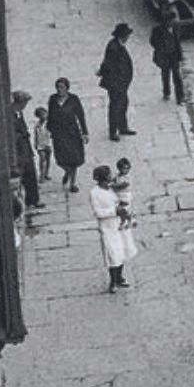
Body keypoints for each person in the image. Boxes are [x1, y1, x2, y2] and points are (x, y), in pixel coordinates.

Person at [91, 164, 138, 292]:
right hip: (107, 228)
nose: (111, 178)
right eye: (108, 176)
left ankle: (120, 277)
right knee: (113, 255)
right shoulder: (95, 193)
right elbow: (98, 213)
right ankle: (113, 281)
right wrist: (114, 211)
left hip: (119, 225)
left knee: (122, 252)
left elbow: (122, 196)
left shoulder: (112, 188)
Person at [46, 77, 89, 193]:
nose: (60, 90)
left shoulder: (74, 99)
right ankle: (67, 172)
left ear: (67, 88)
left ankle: (73, 183)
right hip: (58, 134)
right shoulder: (53, 99)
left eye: (62, 87)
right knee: (60, 159)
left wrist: (85, 133)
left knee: (74, 159)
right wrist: (49, 129)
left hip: (72, 133)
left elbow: (81, 116)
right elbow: (50, 115)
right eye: (58, 87)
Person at [99, 23, 135, 141]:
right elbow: (110, 67)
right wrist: (117, 84)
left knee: (123, 103)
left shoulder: (119, 45)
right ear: (122, 35)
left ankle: (123, 127)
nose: (128, 38)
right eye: (127, 35)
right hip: (116, 85)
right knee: (115, 106)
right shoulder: (113, 48)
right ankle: (113, 131)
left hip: (121, 84)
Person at [11, 91, 40, 212]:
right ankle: (19, 204)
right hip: (19, 151)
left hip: (26, 149)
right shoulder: (11, 114)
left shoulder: (19, 113)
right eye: (25, 102)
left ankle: (32, 200)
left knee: (31, 174)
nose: (26, 105)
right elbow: (13, 134)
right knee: (21, 175)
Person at [151, 11, 187, 103]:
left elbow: (177, 42)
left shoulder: (175, 27)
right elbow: (153, 41)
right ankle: (166, 92)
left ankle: (180, 96)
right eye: (171, 20)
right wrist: (161, 48)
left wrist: (180, 55)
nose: (173, 21)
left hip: (174, 55)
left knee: (177, 76)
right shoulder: (157, 30)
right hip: (164, 56)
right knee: (165, 75)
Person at [33, 107, 52, 184]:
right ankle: (42, 175)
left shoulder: (49, 123)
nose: (44, 116)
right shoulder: (37, 125)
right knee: (42, 159)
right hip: (40, 145)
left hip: (48, 144)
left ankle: (46, 174)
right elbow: (36, 135)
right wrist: (36, 143)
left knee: (48, 160)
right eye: (42, 115)